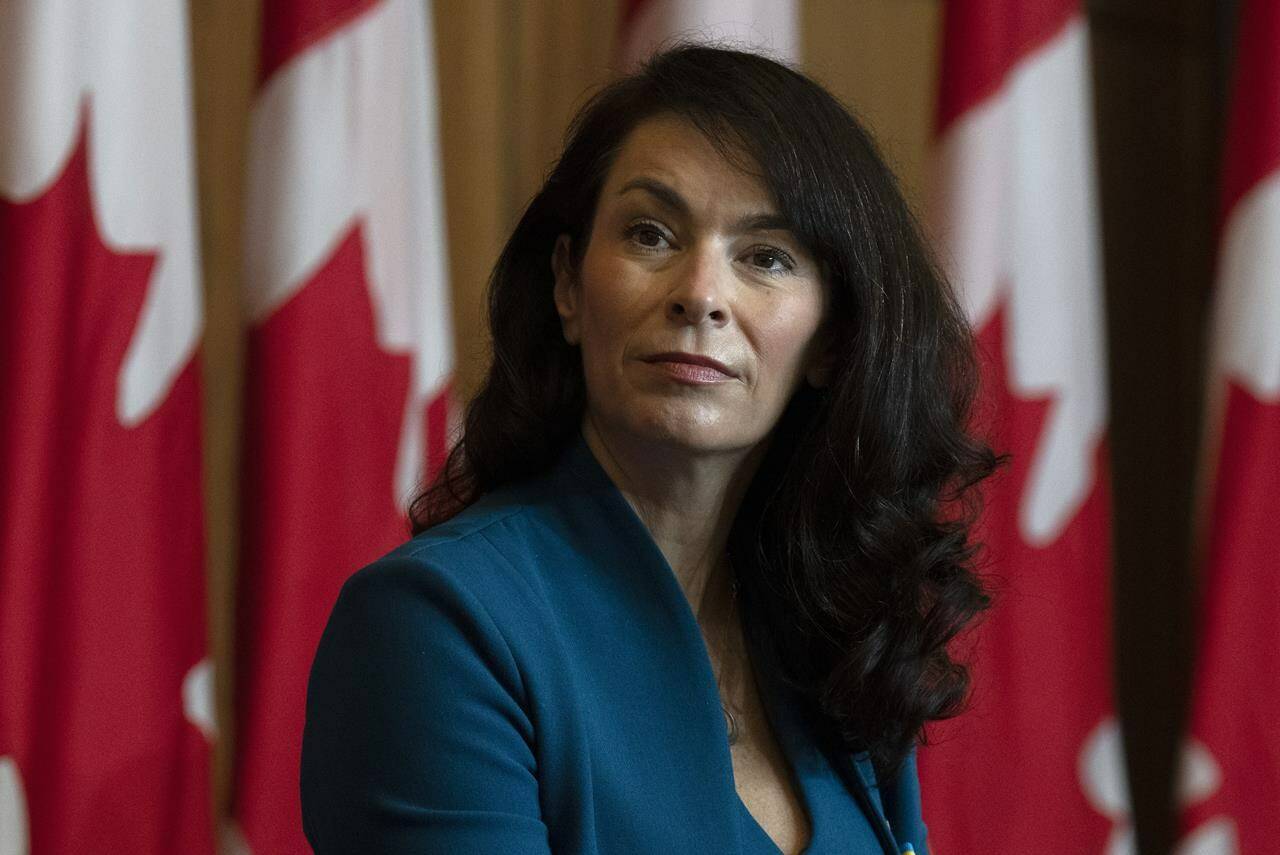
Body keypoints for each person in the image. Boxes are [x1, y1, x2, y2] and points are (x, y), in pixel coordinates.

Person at [301, 44, 998, 855]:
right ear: (568, 284)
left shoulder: (835, 631)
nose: (700, 293)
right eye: (651, 233)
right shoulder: (440, 625)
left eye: (765, 256)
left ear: (832, 340)